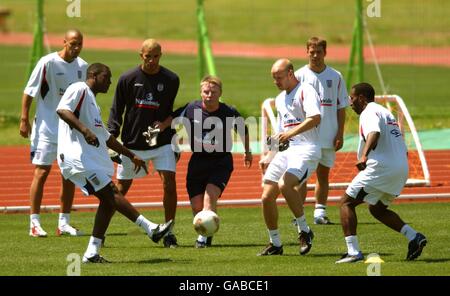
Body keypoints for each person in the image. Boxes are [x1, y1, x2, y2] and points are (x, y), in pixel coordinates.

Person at [56, 63, 173, 263]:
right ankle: (150, 228)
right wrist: (85, 130)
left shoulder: (92, 102)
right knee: (112, 192)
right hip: (76, 158)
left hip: (87, 160)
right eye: (106, 77)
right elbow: (62, 110)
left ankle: (92, 253)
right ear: (93, 75)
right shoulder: (79, 89)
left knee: (108, 202)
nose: (110, 81)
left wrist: (130, 155)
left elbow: (107, 138)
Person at [335, 82, 427, 263]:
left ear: (361, 98)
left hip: (382, 168)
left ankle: (353, 252)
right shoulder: (386, 113)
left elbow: (374, 133)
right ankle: (414, 237)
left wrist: (363, 156)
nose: (350, 103)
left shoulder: (369, 112)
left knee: (346, 203)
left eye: (352, 99)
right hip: (401, 169)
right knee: (377, 209)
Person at [107, 39, 180, 248]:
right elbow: (116, 110)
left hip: (161, 143)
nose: (152, 60)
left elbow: (169, 112)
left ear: (161, 56)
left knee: (169, 183)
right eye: (148, 56)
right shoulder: (127, 78)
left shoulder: (171, 79)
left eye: (156, 56)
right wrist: (112, 137)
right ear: (141, 55)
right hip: (133, 143)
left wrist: (171, 136)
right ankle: (100, 231)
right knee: (120, 188)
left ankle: (169, 233)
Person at [20, 29, 88, 237]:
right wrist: (24, 119)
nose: (76, 48)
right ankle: (34, 223)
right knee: (41, 172)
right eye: (72, 43)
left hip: (69, 131)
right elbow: (29, 91)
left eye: (79, 44)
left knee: (69, 175)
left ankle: (63, 223)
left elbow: (82, 99)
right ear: (64, 42)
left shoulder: (83, 67)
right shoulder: (47, 62)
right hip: (46, 128)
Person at [172, 75, 252, 248]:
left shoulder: (228, 111)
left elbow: (243, 130)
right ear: (201, 93)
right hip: (198, 161)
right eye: (206, 92)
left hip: (220, 161)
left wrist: (248, 151)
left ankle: (204, 239)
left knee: (210, 198)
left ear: (220, 93)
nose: (209, 95)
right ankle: (206, 233)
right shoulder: (191, 108)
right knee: (196, 206)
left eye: (213, 92)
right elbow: (171, 121)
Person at [258, 59, 321, 256]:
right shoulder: (278, 99)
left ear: (291, 74)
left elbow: (315, 118)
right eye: (273, 78)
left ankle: (304, 230)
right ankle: (275, 243)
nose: (276, 81)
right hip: (287, 152)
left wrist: (290, 134)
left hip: (307, 150)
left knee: (286, 185)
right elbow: (280, 132)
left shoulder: (306, 90)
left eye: (279, 77)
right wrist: (269, 155)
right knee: (266, 196)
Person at [294, 37, 349, 225]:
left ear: (325, 52)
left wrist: (340, 133)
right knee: (301, 176)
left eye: (319, 52)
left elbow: (341, 107)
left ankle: (319, 213)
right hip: (306, 137)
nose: (315, 55)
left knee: (323, 175)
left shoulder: (336, 76)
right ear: (307, 52)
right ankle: (299, 215)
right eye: (312, 52)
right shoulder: (299, 76)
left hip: (329, 134)